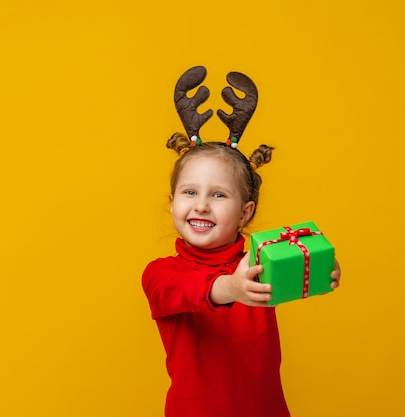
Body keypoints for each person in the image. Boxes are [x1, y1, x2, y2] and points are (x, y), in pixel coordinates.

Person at [142, 67, 341, 417]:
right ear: (172, 203)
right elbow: (182, 291)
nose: (201, 204)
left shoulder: (260, 258)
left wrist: (322, 267)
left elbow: (306, 262)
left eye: (219, 194)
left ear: (245, 212)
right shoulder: (160, 274)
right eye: (190, 192)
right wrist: (230, 287)